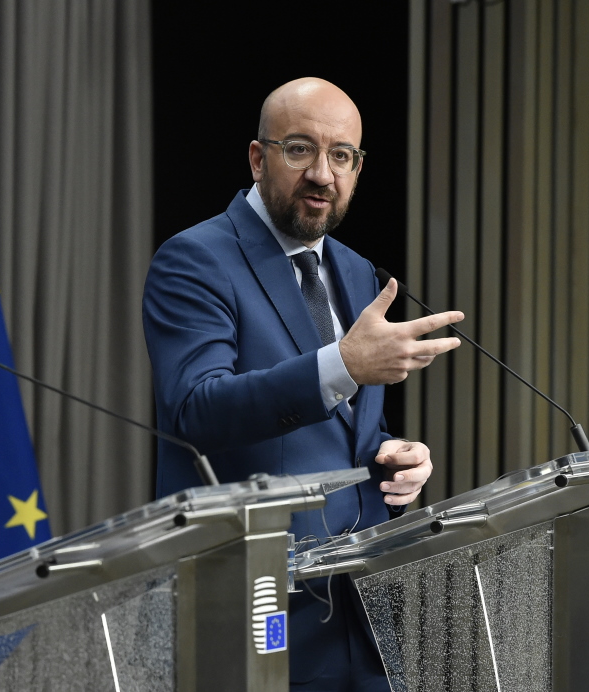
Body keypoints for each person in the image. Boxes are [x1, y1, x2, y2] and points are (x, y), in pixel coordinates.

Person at [142, 78, 464, 691]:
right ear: (258, 158)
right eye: (300, 150)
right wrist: (344, 365)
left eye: (341, 155)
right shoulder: (195, 260)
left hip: (361, 607)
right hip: (254, 608)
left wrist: (393, 454)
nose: (323, 172)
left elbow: (344, 427)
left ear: (358, 167)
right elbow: (196, 408)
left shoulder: (356, 270)